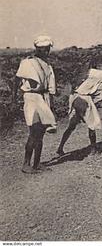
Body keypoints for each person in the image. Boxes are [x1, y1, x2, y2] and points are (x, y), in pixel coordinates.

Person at [12, 35, 57, 173]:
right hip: (31, 98)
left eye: (47, 49)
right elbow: (16, 80)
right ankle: (26, 164)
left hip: (43, 98)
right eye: (42, 49)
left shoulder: (48, 66)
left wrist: (51, 106)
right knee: (34, 131)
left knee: (41, 131)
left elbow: (51, 88)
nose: (45, 52)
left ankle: (37, 164)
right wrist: (14, 99)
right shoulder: (28, 62)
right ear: (37, 49)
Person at [56, 64, 102, 156]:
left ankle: (60, 148)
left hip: (75, 99)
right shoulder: (101, 80)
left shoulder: (88, 78)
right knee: (92, 124)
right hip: (83, 100)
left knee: (72, 126)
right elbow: (100, 98)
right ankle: (93, 149)